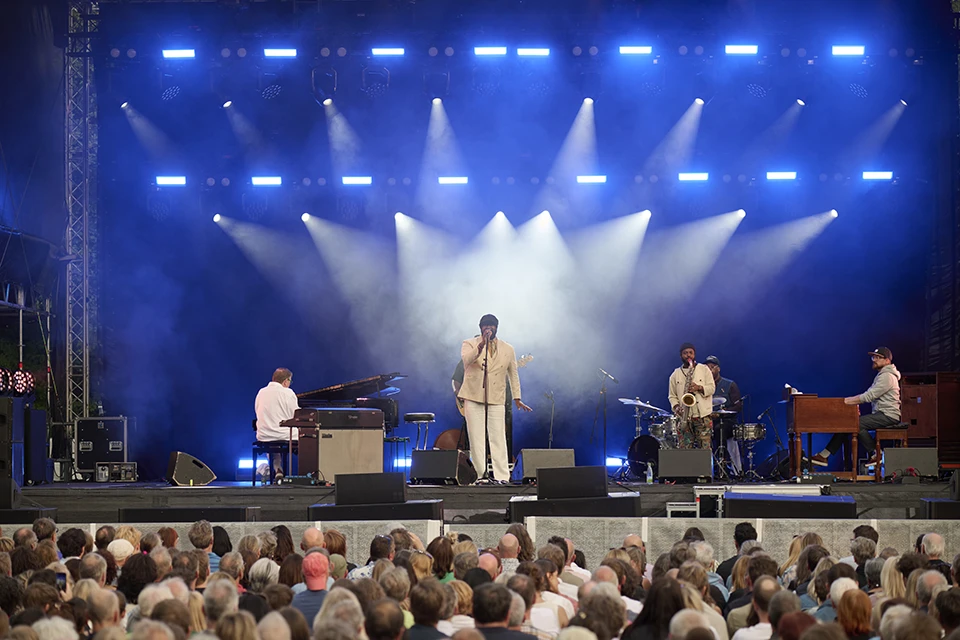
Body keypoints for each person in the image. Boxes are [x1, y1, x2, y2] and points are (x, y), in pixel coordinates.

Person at [457, 314, 531, 484]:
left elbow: (513, 373)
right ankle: (479, 476)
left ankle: (502, 476)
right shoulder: (469, 343)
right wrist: (481, 345)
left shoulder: (508, 348)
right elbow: (466, 360)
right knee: (476, 438)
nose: (487, 328)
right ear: (480, 328)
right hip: (473, 395)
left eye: (491, 326)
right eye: (484, 326)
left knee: (498, 437)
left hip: (497, 397)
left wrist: (517, 397)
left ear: (496, 327)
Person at [812, 347, 901, 468]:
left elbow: (869, 396)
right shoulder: (883, 375)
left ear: (887, 361)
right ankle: (824, 455)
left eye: (878, 357)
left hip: (888, 416)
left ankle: (876, 454)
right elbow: (870, 395)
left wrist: (846, 402)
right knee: (848, 424)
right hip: (882, 414)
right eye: (873, 357)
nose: (874, 360)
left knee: (854, 424)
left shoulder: (887, 376)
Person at [254, 367, 300, 483]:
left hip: (264, 434)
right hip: (283, 434)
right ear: (286, 381)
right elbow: (296, 416)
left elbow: (257, 412)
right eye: (290, 381)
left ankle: (278, 469)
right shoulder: (288, 392)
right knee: (310, 436)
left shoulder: (261, 392)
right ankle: (310, 473)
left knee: (273, 438)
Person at [668, 343, 716, 450]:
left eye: (691, 353)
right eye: (685, 353)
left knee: (704, 451)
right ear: (681, 356)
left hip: (702, 417)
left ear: (694, 354)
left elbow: (712, 388)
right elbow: (672, 396)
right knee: (685, 451)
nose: (688, 355)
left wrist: (698, 387)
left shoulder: (704, 369)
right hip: (685, 417)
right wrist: (676, 407)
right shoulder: (675, 374)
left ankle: (704, 467)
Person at [704, 356, 743, 474]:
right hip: (710, 420)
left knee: (720, 429)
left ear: (718, 369)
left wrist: (723, 412)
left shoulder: (729, 384)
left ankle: (723, 466)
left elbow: (738, 406)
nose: (709, 370)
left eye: (712, 367)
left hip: (727, 421)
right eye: (707, 368)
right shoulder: (704, 387)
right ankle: (705, 469)